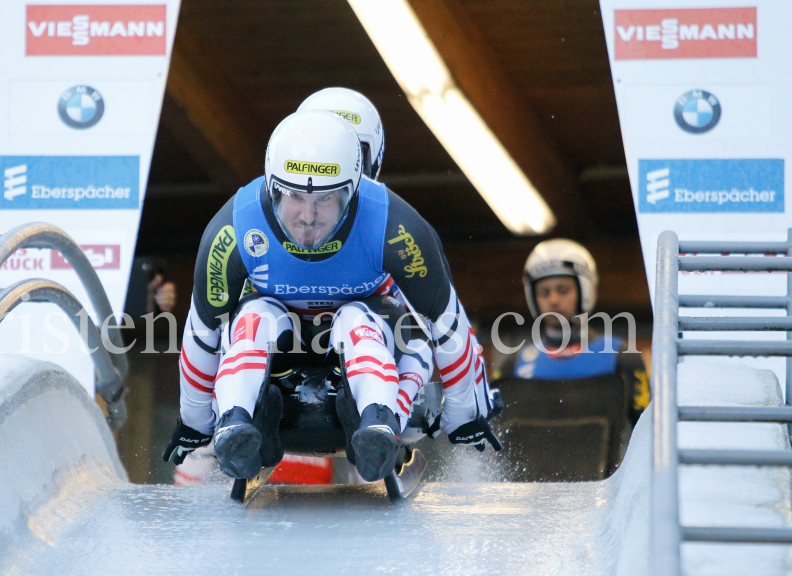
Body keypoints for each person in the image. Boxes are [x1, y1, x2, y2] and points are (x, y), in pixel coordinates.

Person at [163, 109, 500, 484]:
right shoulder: (235, 227)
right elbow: (203, 328)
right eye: (292, 196)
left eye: (325, 199)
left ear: (354, 188)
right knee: (253, 316)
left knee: (357, 318)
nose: (308, 216)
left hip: (365, 347)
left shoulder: (395, 226)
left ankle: (378, 423)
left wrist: (464, 412)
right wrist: (196, 422)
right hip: (281, 359)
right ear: (272, 185)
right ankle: (237, 424)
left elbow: (443, 321)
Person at [493, 239, 649, 425]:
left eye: (563, 290)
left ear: (586, 291)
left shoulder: (621, 358)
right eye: (544, 292)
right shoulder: (513, 366)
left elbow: (646, 433)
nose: (554, 300)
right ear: (533, 298)